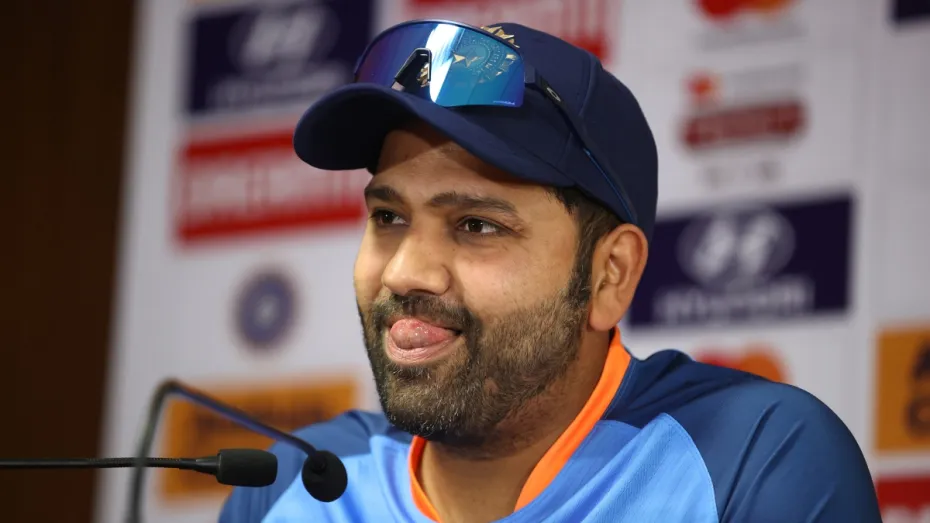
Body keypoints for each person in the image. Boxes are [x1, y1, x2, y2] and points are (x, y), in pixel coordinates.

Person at [219, 20, 881, 523]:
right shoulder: (295, 485)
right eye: (388, 217)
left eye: (476, 225)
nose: (405, 272)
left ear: (611, 274)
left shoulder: (754, 461)